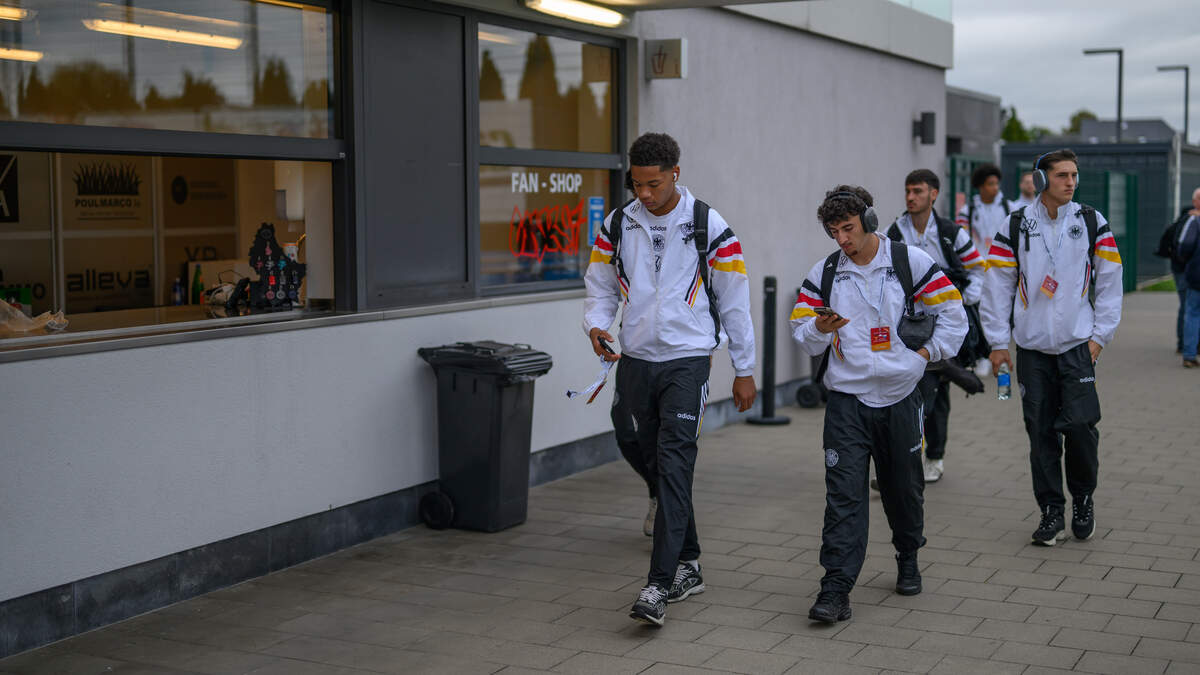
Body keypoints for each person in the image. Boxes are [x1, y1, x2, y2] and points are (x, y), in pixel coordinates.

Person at [584, 132, 757, 626]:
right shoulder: (619, 223)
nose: (644, 194)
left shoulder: (708, 224)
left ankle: (658, 586)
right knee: (654, 460)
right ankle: (690, 563)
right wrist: (596, 325)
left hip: (687, 358)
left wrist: (744, 369)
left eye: (654, 185)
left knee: (675, 463)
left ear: (675, 175)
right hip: (637, 359)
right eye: (636, 184)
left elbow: (735, 298)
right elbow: (598, 284)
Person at [790, 186, 967, 623]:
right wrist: (819, 326)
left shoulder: (911, 263)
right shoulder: (826, 272)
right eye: (834, 232)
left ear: (869, 220)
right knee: (843, 498)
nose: (842, 240)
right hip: (847, 403)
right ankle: (835, 589)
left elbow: (954, 315)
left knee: (902, 490)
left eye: (847, 228)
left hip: (901, 397)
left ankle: (908, 554)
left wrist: (924, 356)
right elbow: (802, 334)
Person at [981, 148, 1123, 546]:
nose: (1071, 182)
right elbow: (997, 287)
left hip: (1079, 347)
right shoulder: (1015, 225)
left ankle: (1083, 499)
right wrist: (997, 343)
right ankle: (1050, 512)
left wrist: (1100, 337)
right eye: (1062, 175)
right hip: (1031, 351)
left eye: (1074, 175)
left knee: (1080, 427)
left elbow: (1111, 281)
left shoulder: (1093, 221)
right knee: (1040, 432)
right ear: (1041, 180)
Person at [884, 169, 986, 483]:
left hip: (940, 325)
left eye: (917, 191)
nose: (911, 197)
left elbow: (978, 270)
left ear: (933, 194)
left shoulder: (950, 233)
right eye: (907, 191)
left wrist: (958, 301)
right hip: (904, 327)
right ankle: (903, 456)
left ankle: (934, 457)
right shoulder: (894, 232)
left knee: (936, 395)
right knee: (902, 390)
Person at [956, 163, 1014, 256]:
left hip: (1002, 265)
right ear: (980, 186)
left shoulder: (1010, 208)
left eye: (997, 183)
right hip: (976, 266)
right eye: (990, 184)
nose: (995, 188)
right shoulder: (966, 211)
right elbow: (961, 240)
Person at [1177, 202, 1200, 368]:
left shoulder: (1195, 222)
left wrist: (1188, 262)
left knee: (1192, 313)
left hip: (1196, 275)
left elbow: (1184, 245)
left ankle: (1189, 355)